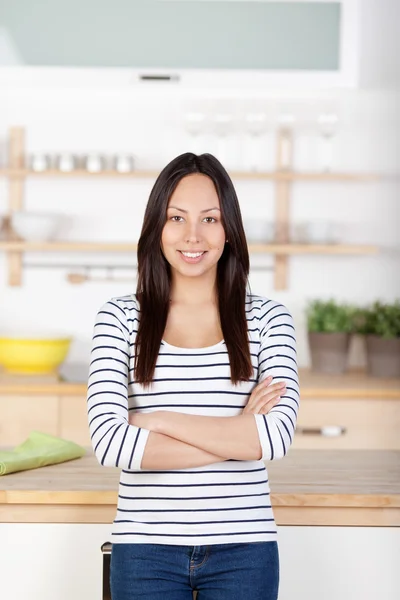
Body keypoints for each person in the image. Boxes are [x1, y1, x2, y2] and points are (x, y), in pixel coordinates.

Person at [87, 152, 300, 599]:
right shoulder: (121, 319)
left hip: (245, 548)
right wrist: (238, 434)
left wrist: (155, 420)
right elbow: (109, 442)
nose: (192, 235)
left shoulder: (267, 320)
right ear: (156, 228)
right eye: (177, 218)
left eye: (209, 218)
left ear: (229, 231)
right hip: (145, 549)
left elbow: (275, 439)